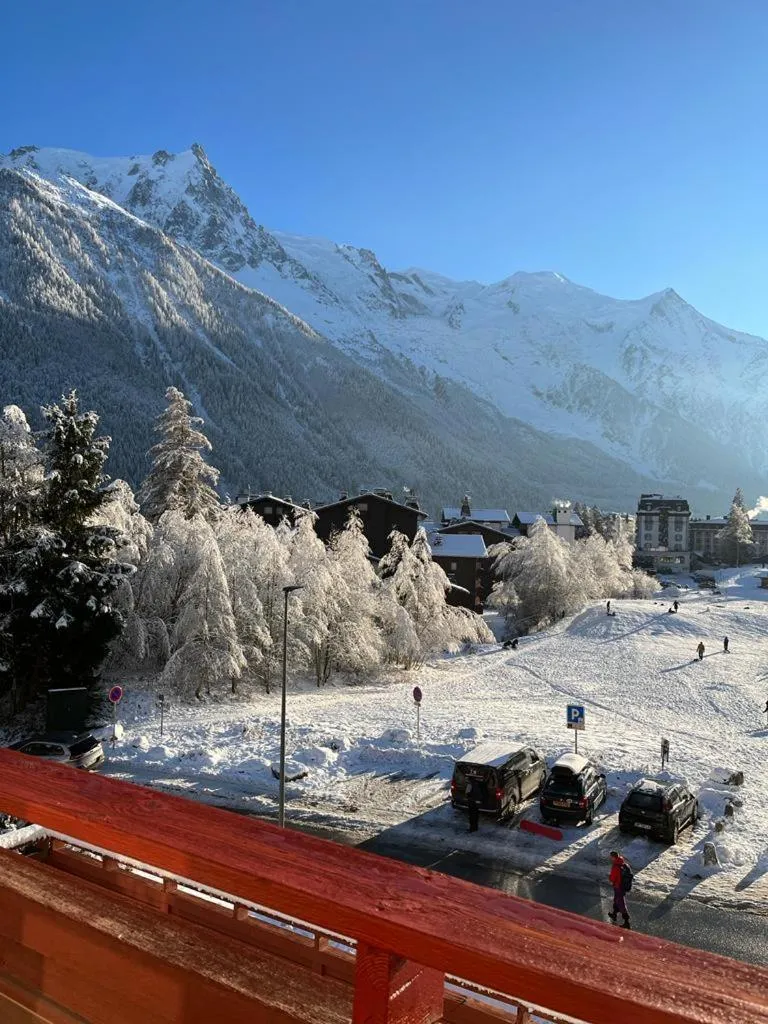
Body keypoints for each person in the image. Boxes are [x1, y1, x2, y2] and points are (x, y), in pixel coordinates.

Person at [608, 851, 632, 929]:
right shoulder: (624, 864)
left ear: (613, 857)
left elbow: (612, 878)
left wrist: (610, 878)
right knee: (616, 900)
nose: (610, 858)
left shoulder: (616, 866)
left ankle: (626, 922)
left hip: (618, 886)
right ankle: (614, 914)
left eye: (611, 857)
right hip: (622, 886)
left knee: (620, 902)